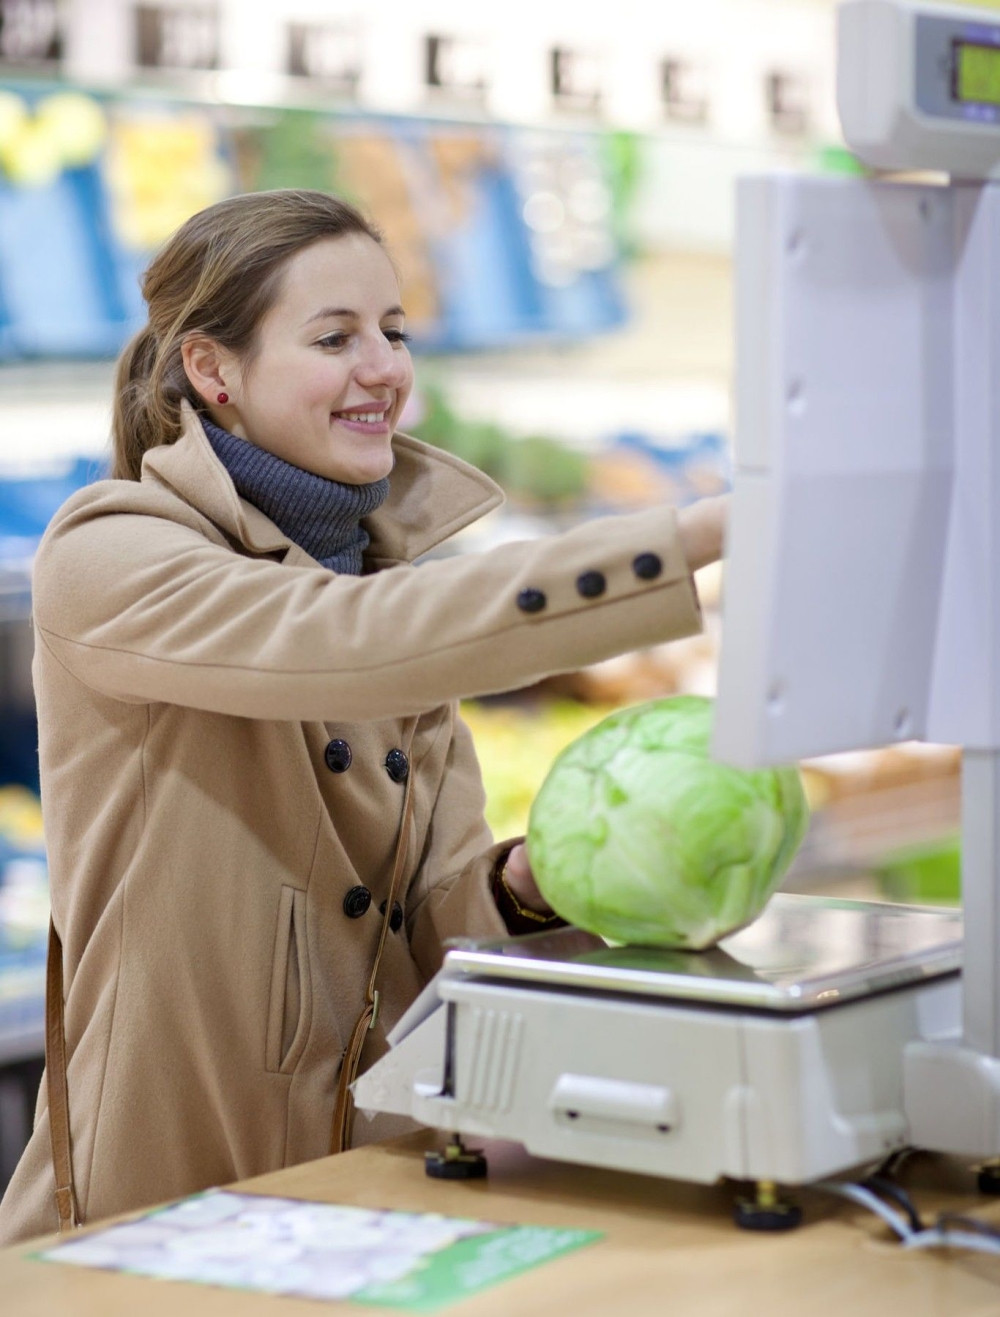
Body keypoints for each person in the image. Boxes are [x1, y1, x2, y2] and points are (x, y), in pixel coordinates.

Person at [0, 189, 726, 1244]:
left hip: (361, 1200)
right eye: (333, 337)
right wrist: (698, 534)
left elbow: (440, 923)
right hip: (149, 1208)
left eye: (393, 333)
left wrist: (530, 884)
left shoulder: (383, 581)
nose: (381, 369)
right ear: (214, 370)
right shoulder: (112, 552)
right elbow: (339, 637)